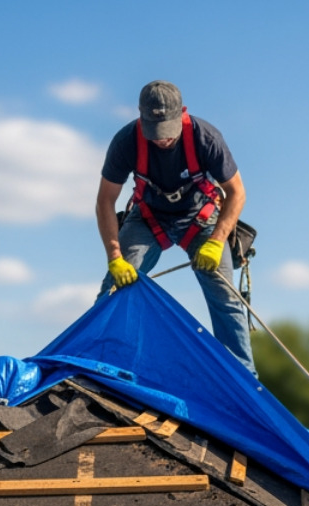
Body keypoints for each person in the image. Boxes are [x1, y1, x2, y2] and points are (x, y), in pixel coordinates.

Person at [95, 81, 254, 374]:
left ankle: (243, 377)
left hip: (199, 216)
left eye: (167, 131)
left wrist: (217, 240)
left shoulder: (205, 137)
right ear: (141, 118)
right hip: (148, 216)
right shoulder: (126, 141)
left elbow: (237, 193)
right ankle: (97, 364)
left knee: (226, 296)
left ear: (182, 113)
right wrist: (115, 256)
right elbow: (105, 200)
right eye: (154, 132)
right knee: (114, 289)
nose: (162, 140)